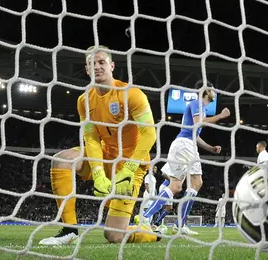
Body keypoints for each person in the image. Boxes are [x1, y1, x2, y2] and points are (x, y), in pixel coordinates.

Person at [39, 45, 165, 245]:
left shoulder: (132, 94)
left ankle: (152, 233)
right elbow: (91, 138)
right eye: (91, 63)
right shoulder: (84, 101)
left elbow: (149, 133)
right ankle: (69, 230)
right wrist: (97, 171)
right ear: (87, 69)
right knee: (62, 160)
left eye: (101, 62)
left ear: (111, 66)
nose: (96, 66)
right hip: (104, 155)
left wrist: (130, 168)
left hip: (131, 163)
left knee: (113, 236)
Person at [140, 80, 230, 235]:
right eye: (213, 89)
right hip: (185, 145)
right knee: (190, 182)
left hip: (186, 144)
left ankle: (161, 220)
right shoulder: (197, 103)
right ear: (206, 91)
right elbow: (198, 124)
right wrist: (220, 116)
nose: (215, 91)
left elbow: (195, 134)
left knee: (180, 185)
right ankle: (163, 221)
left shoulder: (201, 107)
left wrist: (210, 148)